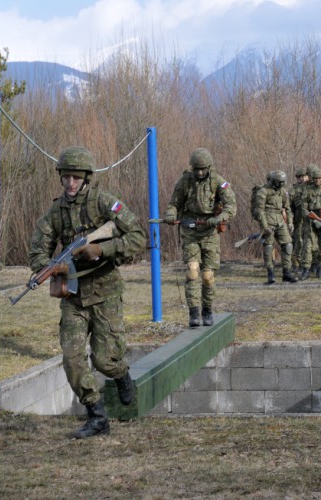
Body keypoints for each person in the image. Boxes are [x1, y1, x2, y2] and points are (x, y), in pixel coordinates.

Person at [28, 146, 147, 439]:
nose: (70, 183)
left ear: (86, 178)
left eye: (76, 178)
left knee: (104, 360)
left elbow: (137, 237)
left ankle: (120, 374)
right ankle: (96, 415)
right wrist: (49, 267)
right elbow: (38, 250)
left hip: (105, 291)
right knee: (72, 357)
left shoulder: (104, 203)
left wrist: (101, 248)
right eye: (66, 177)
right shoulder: (55, 212)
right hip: (74, 296)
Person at [163, 147, 237, 327]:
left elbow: (231, 206)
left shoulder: (218, 182)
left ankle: (207, 310)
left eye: (203, 169)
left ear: (209, 167)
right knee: (192, 270)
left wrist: (218, 218)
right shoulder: (184, 182)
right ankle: (194, 312)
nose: (200, 172)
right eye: (197, 169)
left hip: (210, 232)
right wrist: (171, 214)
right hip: (190, 230)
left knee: (207, 276)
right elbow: (173, 203)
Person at [253, 170, 298, 284]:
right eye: (279, 182)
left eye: (283, 182)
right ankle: (270, 272)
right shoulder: (263, 191)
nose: (281, 184)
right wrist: (264, 226)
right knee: (268, 246)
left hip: (280, 220)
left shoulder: (283, 191)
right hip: (267, 219)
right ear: (273, 181)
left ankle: (287, 272)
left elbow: (287, 208)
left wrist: (290, 222)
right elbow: (259, 210)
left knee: (288, 244)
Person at [290, 166, 309, 274]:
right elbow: (289, 205)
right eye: (300, 177)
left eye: (304, 176)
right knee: (298, 241)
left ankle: (308, 263)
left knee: (309, 242)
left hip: (310, 218)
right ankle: (296, 264)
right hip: (298, 219)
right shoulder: (294, 189)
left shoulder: (311, 188)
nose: (302, 179)